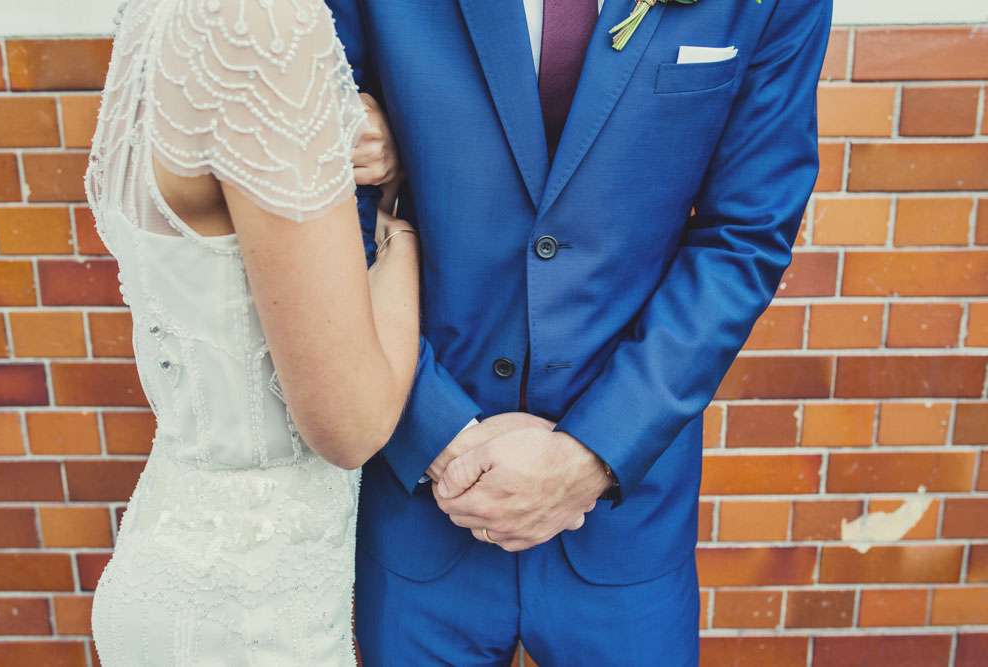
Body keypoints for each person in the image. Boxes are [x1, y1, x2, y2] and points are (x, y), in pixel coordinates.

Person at [328, 0, 834, 664]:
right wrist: (439, 435)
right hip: (419, 496)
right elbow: (330, 202)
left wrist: (594, 451)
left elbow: (743, 237)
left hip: (626, 511)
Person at [87, 0, 407, 663]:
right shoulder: (263, 23)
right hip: (253, 617)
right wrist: (405, 238)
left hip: (169, 553)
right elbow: (351, 424)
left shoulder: (157, 14)